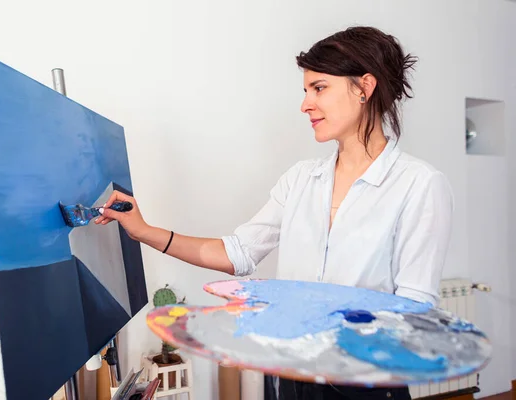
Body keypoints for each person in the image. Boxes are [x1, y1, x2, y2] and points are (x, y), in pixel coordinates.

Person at [95, 26, 454, 400]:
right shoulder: (301, 180)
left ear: (364, 87)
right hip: (295, 379)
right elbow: (239, 253)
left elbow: (413, 312)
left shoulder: (419, 184)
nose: (305, 105)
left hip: (368, 385)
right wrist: (144, 231)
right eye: (305, 91)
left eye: (319, 88)